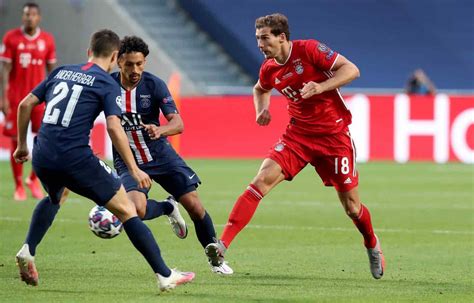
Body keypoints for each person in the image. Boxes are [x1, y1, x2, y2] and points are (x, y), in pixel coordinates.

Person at [205, 13, 385, 279]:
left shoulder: (310, 50)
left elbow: (352, 70)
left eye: (264, 38)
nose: (259, 44)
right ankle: (222, 245)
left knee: (352, 208)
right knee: (261, 181)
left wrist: (321, 86)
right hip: (298, 136)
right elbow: (259, 89)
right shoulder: (269, 68)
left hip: (333, 137)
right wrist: (261, 110)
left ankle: (371, 243)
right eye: (257, 39)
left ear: (282, 37)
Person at [13, 29, 195, 291]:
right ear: (114, 57)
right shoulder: (107, 83)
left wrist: (22, 145)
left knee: (56, 196)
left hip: (42, 153)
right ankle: (166, 276)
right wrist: (134, 169)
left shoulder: (61, 71)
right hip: (75, 157)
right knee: (127, 210)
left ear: (89, 52)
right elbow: (113, 127)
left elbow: (25, 105)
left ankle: (28, 249)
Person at [111, 36, 233, 275]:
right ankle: (167, 207)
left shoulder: (154, 85)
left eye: (139, 64)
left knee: (195, 207)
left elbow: (178, 124)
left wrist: (160, 129)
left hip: (161, 155)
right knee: (137, 210)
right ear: (118, 62)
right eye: (129, 65)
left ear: (145, 61)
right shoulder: (107, 86)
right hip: (129, 161)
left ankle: (215, 260)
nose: (135, 70)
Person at [0, 2, 55, 201]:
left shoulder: (47, 40)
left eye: (32, 14)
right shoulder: (11, 38)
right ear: (22, 17)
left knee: (44, 138)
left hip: (39, 98)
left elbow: (52, 71)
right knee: (17, 139)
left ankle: (33, 179)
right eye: (26, 15)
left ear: (38, 17)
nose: (29, 18)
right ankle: (18, 186)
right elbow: (5, 70)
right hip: (16, 97)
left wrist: (53, 96)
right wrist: (3, 96)